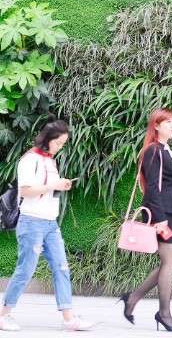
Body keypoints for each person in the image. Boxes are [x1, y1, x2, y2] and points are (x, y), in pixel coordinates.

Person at [0, 114, 93, 333]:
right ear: (48, 138)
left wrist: (60, 185)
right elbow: (26, 191)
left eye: (62, 144)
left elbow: (48, 188)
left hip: (50, 223)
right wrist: (53, 184)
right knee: (25, 270)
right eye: (58, 143)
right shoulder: (30, 159)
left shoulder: (50, 160)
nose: (60, 147)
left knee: (62, 268)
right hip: (32, 221)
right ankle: (3, 314)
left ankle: (68, 318)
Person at [118, 107, 172, 332]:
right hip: (162, 213)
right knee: (168, 262)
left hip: (171, 211)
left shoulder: (166, 150)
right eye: (167, 122)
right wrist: (160, 218)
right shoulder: (152, 150)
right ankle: (164, 314)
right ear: (155, 126)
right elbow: (153, 188)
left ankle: (132, 298)